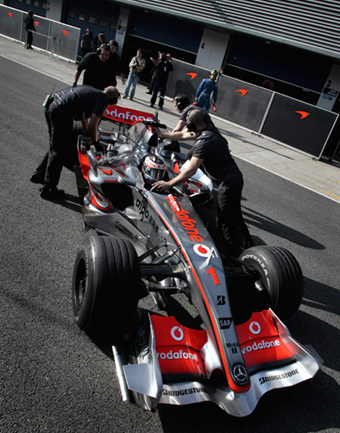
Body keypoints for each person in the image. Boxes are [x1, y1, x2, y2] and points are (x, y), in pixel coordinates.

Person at [152, 109, 254, 258]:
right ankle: (249, 249)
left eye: (188, 123)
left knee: (223, 223)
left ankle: (234, 257)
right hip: (236, 179)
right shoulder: (209, 129)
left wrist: (169, 183)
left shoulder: (205, 141)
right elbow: (184, 135)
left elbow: (191, 170)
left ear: (192, 125)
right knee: (236, 218)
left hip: (227, 184)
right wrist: (162, 134)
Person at [30, 86, 120, 200]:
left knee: (55, 145)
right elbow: (93, 125)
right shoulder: (102, 101)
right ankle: (48, 189)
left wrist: (86, 131)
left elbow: (83, 116)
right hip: (61, 113)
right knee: (59, 151)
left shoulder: (93, 93)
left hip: (51, 106)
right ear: (112, 100)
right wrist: (95, 142)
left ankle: (39, 175)